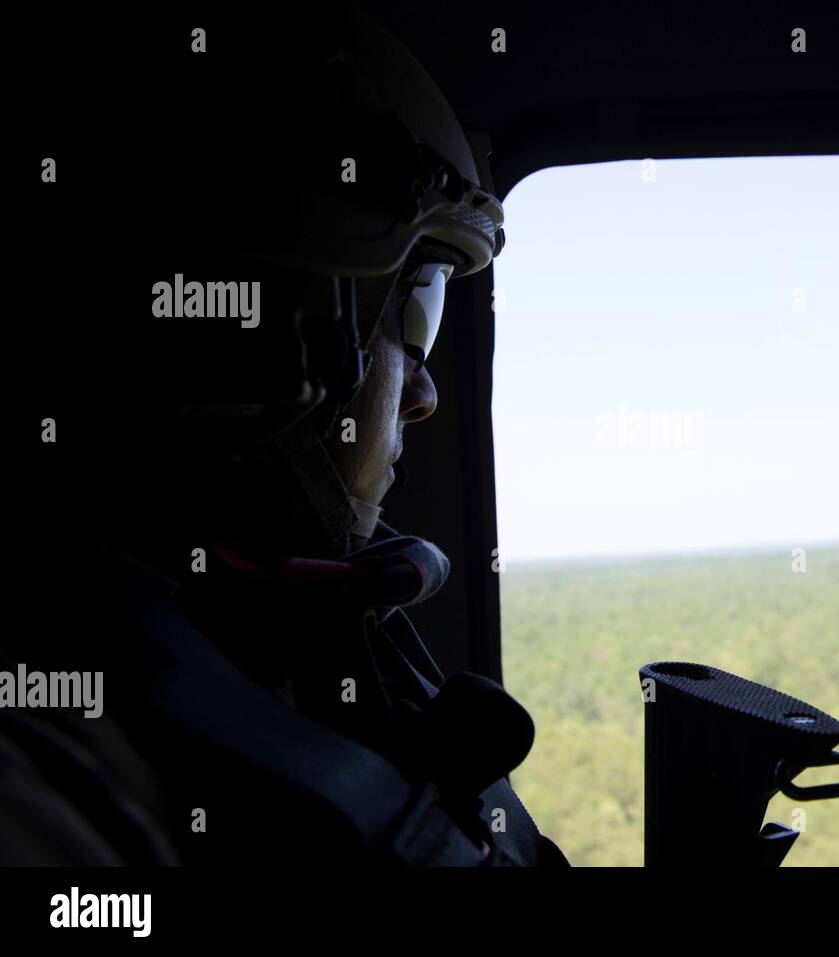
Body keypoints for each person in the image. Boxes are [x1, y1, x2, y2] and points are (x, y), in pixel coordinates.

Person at [1, 6, 568, 866]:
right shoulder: (45, 770)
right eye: (413, 311)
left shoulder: (306, 625)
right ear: (285, 328)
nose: (423, 391)